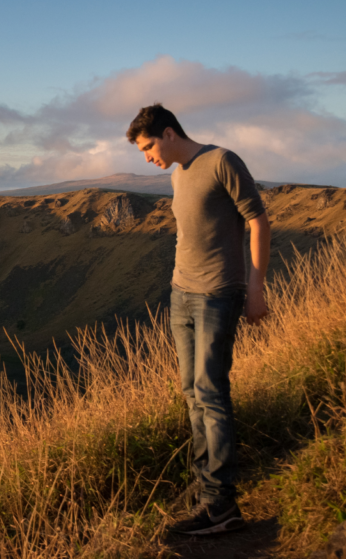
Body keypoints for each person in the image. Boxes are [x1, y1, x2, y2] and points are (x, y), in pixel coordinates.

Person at [126, 103, 270, 535]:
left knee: (211, 392)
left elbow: (259, 222)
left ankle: (222, 506)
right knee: (191, 393)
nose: (148, 156)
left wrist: (256, 288)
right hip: (182, 294)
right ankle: (204, 489)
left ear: (169, 133)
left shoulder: (222, 161)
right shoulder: (177, 173)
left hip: (218, 295)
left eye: (149, 146)